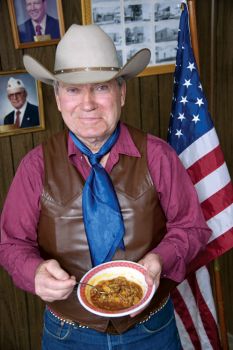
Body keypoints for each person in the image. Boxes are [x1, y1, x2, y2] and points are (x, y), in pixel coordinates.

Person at [0, 24, 211, 350]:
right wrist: (35, 271)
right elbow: (11, 243)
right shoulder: (34, 167)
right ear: (57, 97)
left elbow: (192, 227)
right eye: (72, 89)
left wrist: (161, 259)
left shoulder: (159, 157)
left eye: (100, 87)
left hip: (151, 328)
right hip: (68, 334)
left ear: (121, 93)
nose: (87, 104)